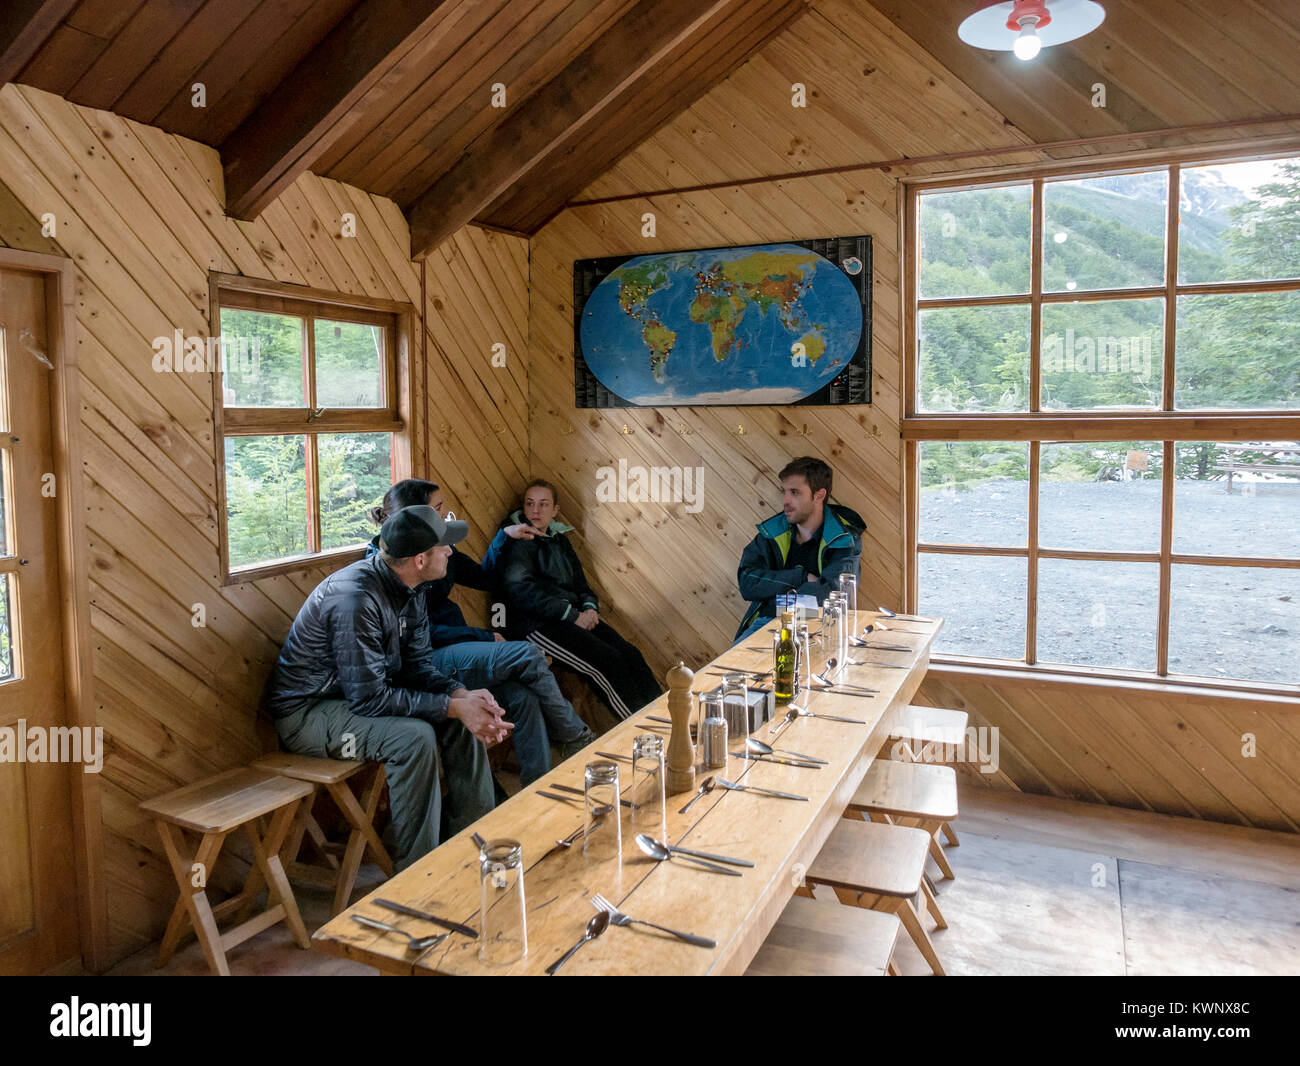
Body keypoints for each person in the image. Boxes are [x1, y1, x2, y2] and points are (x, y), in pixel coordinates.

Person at [264, 505, 508, 871]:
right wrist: (452, 707)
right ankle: (418, 873)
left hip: (352, 701)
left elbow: (419, 668)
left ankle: (472, 850)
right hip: (307, 712)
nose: (452, 552)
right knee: (414, 737)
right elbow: (370, 698)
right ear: (421, 560)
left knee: (462, 718)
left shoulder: (412, 587)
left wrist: (462, 697)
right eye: (445, 546)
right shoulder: (355, 599)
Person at [366, 479, 595, 785]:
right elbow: (416, 636)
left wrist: (505, 536)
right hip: (429, 658)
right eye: (438, 509)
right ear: (414, 518)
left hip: (457, 645)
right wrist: (483, 636)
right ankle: (575, 735)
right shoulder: (389, 565)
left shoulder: (437, 545)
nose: (446, 516)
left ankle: (537, 788)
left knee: (523, 696)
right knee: (526, 653)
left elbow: (485, 577)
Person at [497, 479, 663, 721]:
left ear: (555, 510)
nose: (535, 510)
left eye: (544, 505)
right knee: (607, 662)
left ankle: (667, 716)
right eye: (530, 504)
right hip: (537, 625)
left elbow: (581, 584)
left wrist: (589, 608)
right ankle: (644, 727)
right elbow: (522, 592)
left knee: (631, 654)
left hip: (573, 617)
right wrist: (573, 615)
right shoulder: (519, 541)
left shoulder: (559, 539)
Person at [734, 456, 865, 643]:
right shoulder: (771, 532)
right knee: (721, 670)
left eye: (794, 492)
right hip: (767, 625)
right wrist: (800, 577)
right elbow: (747, 583)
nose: (786, 500)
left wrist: (776, 596)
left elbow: (832, 597)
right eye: (784, 492)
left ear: (819, 495)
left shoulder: (844, 539)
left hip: (821, 630)